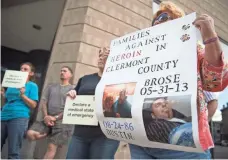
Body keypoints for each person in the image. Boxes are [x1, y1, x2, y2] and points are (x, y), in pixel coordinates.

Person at [129, 1, 228, 159]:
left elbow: (215, 82)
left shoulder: (192, 50)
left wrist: (209, 37)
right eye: (157, 20)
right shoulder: (142, 56)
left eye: (166, 18)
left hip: (182, 149)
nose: (160, 22)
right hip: (141, 145)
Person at [66, 47, 119, 159]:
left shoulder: (119, 80)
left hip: (105, 136)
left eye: (105, 56)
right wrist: (72, 93)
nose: (100, 59)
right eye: (100, 56)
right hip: (80, 134)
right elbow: (76, 92)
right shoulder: (86, 79)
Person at [26, 66, 74, 159]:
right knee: (30, 134)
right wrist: (46, 116)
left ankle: (54, 138)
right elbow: (44, 101)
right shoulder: (51, 86)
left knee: (51, 147)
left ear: (70, 75)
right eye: (61, 70)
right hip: (47, 118)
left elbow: (71, 107)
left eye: (65, 71)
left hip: (62, 122)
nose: (62, 72)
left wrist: (55, 118)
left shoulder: (72, 89)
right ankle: (47, 133)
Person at [1, 62, 39, 159]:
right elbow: (7, 99)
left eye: (25, 69)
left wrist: (22, 95)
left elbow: (33, 105)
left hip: (19, 117)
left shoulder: (32, 85)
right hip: (4, 115)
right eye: (21, 68)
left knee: (13, 150)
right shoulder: (11, 85)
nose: (22, 70)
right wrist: (2, 94)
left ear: (31, 73)